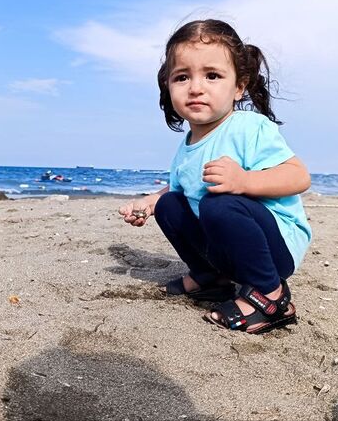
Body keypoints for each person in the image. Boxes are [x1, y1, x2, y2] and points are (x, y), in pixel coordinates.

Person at [118, 19, 312, 335]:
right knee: (170, 204)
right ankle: (211, 277)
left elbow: (299, 176)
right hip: (227, 246)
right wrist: (152, 201)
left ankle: (272, 295)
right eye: (182, 77)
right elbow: (182, 186)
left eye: (212, 76)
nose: (196, 87)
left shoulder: (248, 128)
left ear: (239, 86)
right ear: (168, 85)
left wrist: (245, 182)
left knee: (218, 204)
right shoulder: (186, 147)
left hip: (275, 246)